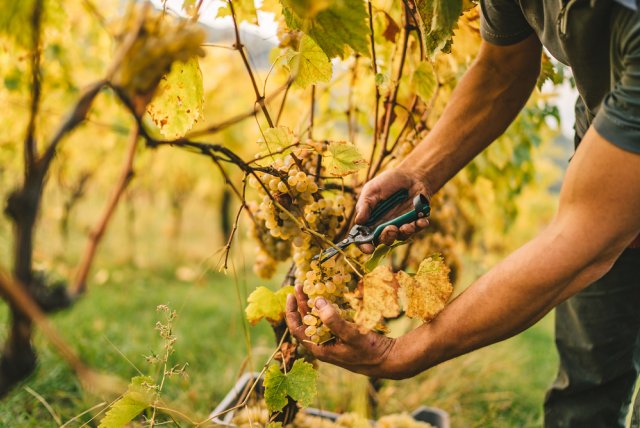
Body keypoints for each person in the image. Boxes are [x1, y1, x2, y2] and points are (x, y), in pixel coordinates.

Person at [285, 1, 640, 426]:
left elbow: (581, 242)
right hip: (609, 132)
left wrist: (402, 352)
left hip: (622, 142)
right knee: (588, 375)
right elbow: (501, 68)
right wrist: (419, 171)